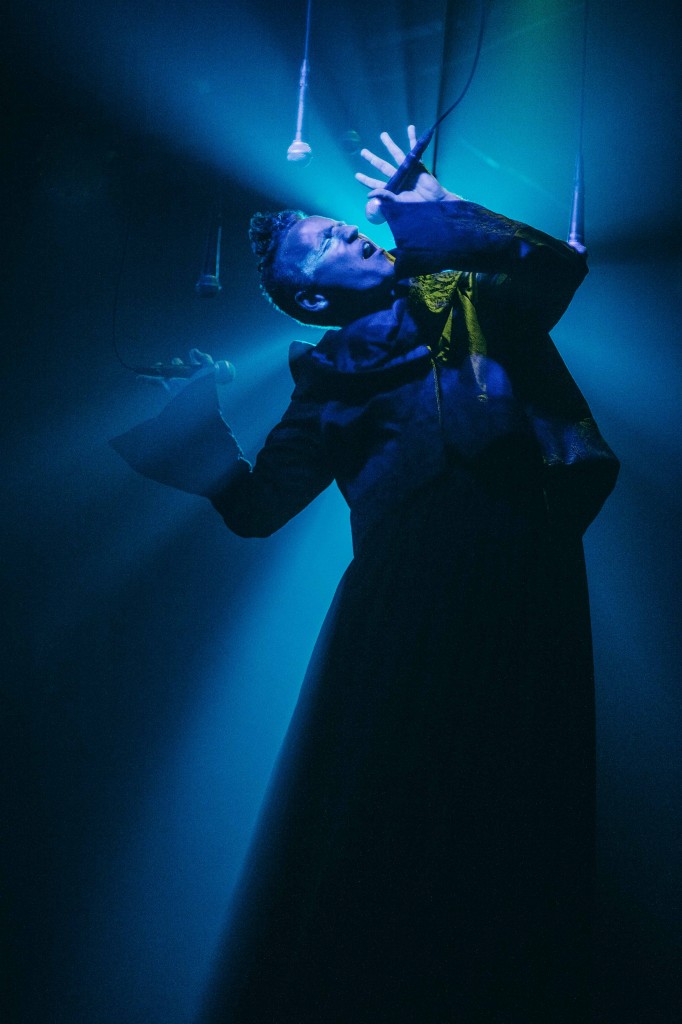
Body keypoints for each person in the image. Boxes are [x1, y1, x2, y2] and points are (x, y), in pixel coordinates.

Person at [111, 127, 619, 1023]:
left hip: (519, 550)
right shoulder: (326, 379)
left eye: (341, 225)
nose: (348, 232)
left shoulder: (461, 288)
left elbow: (555, 276)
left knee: (515, 785)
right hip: (407, 579)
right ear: (308, 292)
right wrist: (188, 424)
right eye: (324, 240)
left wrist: (438, 213)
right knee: (400, 794)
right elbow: (259, 506)